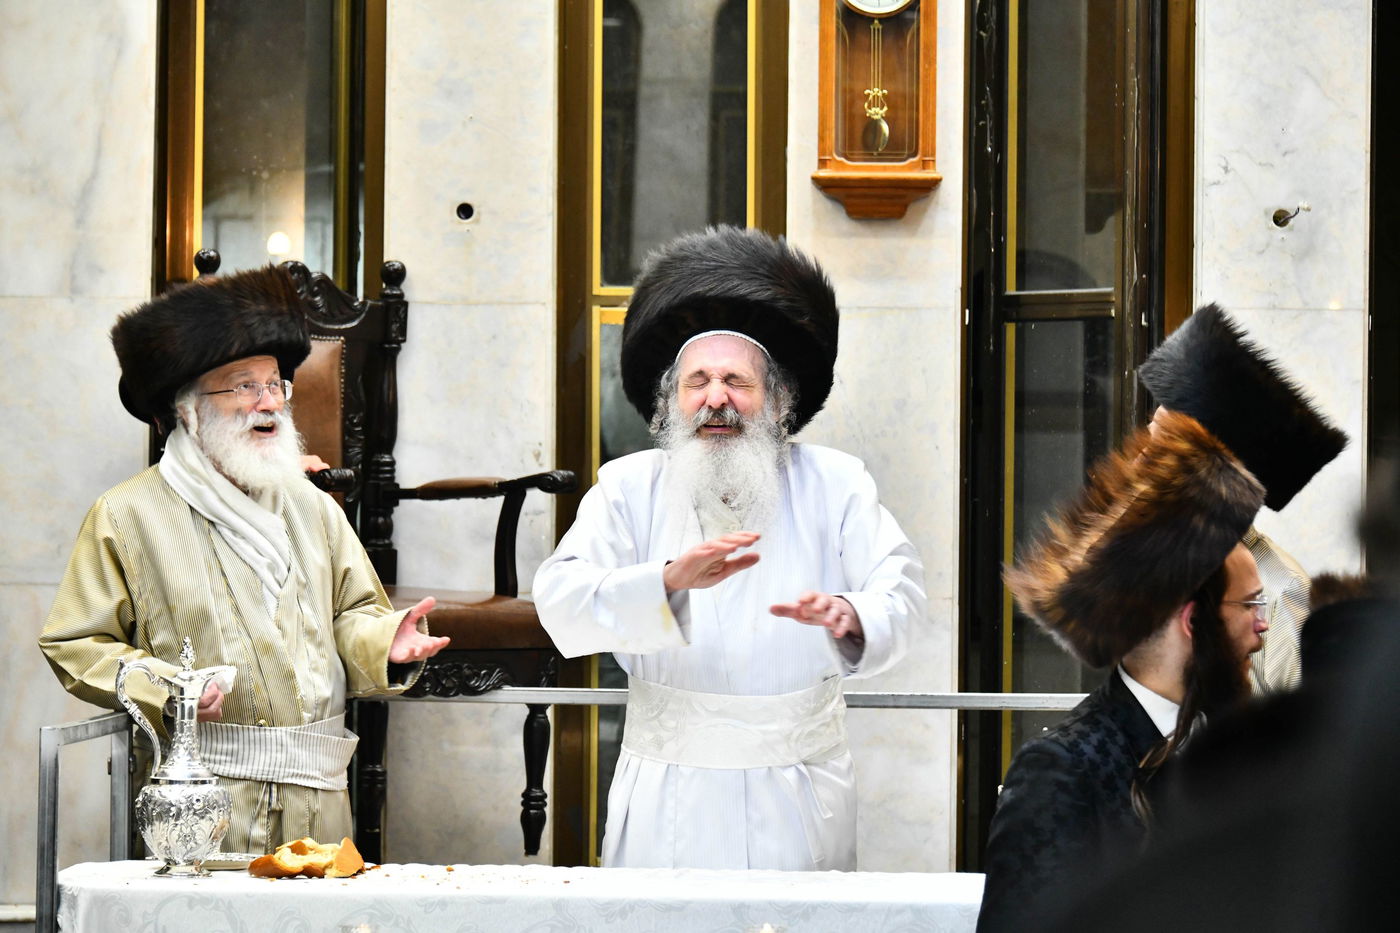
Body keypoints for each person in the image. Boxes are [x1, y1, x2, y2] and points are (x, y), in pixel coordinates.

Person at [533, 225, 925, 871]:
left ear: (777, 402)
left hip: (800, 795)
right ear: (669, 402)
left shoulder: (838, 482)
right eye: (698, 381)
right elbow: (559, 600)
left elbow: (904, 591)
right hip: (667, 796)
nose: (717, 398)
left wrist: (852, 614)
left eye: (737, 381)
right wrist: (664, 581)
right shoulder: (627, 487)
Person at [39, 266, 449, 853]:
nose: (269, 403)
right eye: (242, 386)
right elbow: (75, 643)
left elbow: (351, 611)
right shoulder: (126, 516)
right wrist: (171, 688)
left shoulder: (312, 508)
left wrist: (384, 644)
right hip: (199, 803)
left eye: (276, 384)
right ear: (186, 409)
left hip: (321, 806)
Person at [976, 410, 1267, 932]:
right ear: (1194, 622)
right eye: (1251, 606)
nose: (1265, 627)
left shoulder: (1232, 743)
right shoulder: (1064, 771)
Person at [1137, 303, 1348, 691]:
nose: (1140, 461)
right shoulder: (1156, 569)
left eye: (1161, 447)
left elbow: (1304, 738)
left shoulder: (1281, 596)